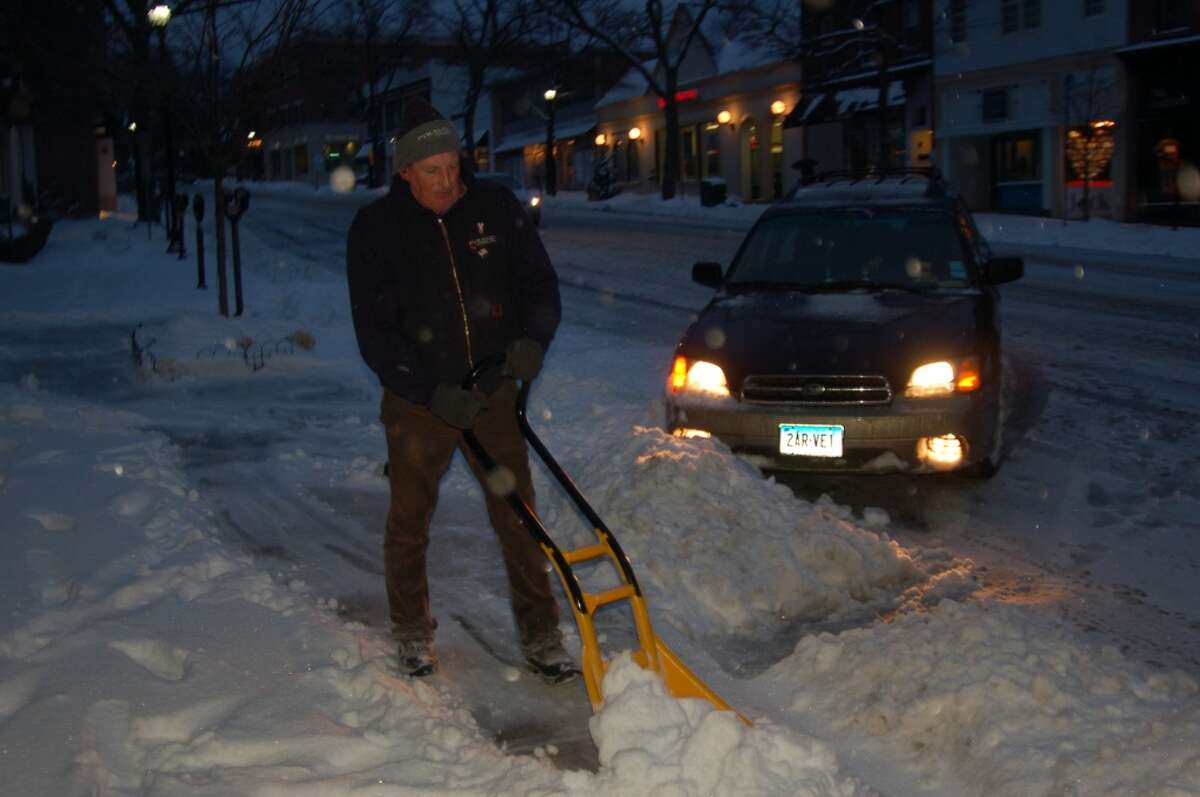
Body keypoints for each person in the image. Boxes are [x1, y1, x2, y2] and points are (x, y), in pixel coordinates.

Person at [345, 99, 577, 684]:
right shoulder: (376, 232)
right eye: (432, 171)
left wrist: (532, 341)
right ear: (405, 172)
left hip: (493, 394)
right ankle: (412, 632)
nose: (448, 181)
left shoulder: (494, 209)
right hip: (419, 404)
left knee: (518, 516)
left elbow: (539, 285)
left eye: (453, 166)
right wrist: (428, 390)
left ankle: (541, 632)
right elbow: (376, 335)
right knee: (409, 517)